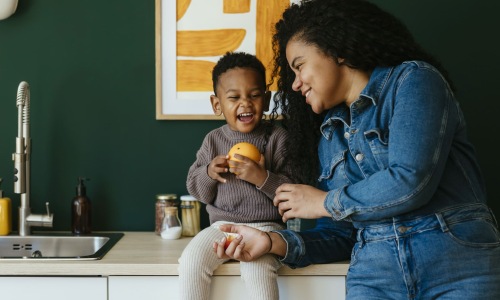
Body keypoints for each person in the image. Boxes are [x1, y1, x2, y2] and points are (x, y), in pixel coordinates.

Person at [214, 0, 500, 299]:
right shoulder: (328, 134)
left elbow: (411, 180)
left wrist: (325, 202)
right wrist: (273, 242)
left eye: (299, 66)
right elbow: (341, 235)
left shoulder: (414, 80)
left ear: (336, 50)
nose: (295, 84)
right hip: (375, 277)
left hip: (457, 270)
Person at [179, 52, 296, 300]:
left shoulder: (277, 138)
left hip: (267, 228)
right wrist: (209, 172)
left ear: (266, 100)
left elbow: (293, 193)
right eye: (234, 97)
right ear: (217, 104)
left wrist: (261, 177)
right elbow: (196, 190)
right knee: (191, 260)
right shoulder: (214, 140)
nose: (245, 103)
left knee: (258, 271)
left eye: (254, 96)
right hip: (222, 227)